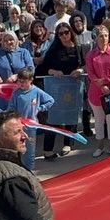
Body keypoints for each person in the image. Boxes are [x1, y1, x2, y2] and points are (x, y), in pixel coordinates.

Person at [41, 22, 85, 159]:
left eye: (66, 32)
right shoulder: (53, 49)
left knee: (71, 115)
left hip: (73, 87)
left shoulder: (78, 48)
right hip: (56, 88)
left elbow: (83, 65)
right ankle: (48, 150)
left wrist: (79, 70)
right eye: (61, 33)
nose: (64, 35)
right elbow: (43, 68)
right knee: (54, 118)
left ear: (71, 32)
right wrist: (53, 71)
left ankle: (68, 143)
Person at [7, 67, 54, 171]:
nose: (22, 84)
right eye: (20, 81)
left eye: (25, 82)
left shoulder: (36, 91)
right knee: (17, 148)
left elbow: (50, 100)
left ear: (31, 80)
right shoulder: (16, 93)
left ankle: (30, 171)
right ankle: (20, 169)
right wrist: (13, 117)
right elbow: (11, 107)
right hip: (18, 126)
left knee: (29, 150)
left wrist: (40, 108)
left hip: (31, 127)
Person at [85, 25, 110, 157]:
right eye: (101, 36)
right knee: (99, 121)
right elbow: (90, 73)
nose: (104, 38)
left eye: (106, 35)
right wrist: (100, 85)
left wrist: (105, 82)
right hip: (96, 93)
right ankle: (99, 146)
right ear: (96, 38)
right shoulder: (91, 55)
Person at [0, 31, 34, 110]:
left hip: (21, 89)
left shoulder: (24, 52)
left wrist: (17, 76)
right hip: (3, 92)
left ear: (15, 40)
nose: (9, 42)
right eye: (6, 40)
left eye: (11, 39)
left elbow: (31, 69)